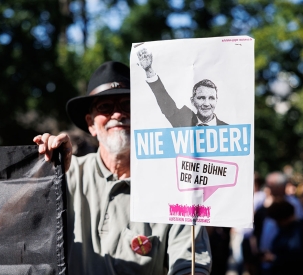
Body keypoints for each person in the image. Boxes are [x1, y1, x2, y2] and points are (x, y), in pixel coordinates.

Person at [33, 61, 212, 274]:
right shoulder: (66, 175)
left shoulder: (175, 189)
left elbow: (190, 265)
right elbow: (5, 230)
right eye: (105, 108)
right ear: (90, 124)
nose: (117, 114)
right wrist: (40, 174)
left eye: (127, 105)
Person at [136, 47, 227, 127]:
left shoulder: (228, 129)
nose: (206, 103)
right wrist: (148, 70)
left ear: (216, 100)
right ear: (192, 101)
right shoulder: (182, 121)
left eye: (211, 98)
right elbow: (166, 104)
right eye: (201, 98)